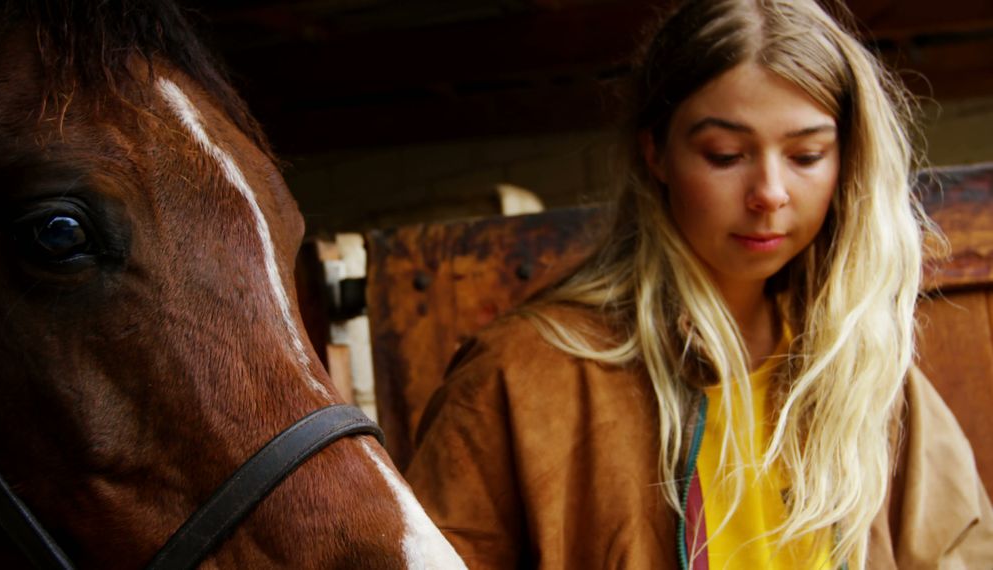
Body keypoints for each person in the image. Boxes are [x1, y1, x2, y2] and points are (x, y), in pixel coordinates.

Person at [405, 0, 993, 568]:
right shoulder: (519, 375)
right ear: (655, 152)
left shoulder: (860, 368)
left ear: (848, 162)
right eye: (725, 154)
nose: (770, 192)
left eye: (807, 155)